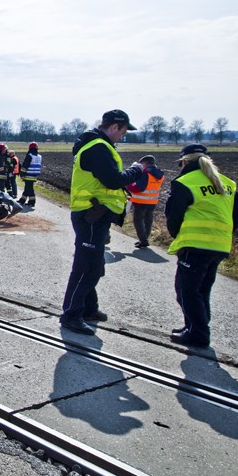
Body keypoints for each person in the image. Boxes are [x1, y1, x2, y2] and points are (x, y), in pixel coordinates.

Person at [60, 110, 143, 335]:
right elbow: (113, 180)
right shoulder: (98, 147)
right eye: (123, 132)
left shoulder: (95, 145)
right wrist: (137, 170)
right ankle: (71, 314)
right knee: (86, 267)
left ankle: (88, 308)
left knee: (93, 265)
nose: (123, 137)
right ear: (114, 127)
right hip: (91, 214)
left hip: (94, 213)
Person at [166, 144, 238, 348]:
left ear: (185, 161)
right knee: (202, 290)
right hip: (220, 245)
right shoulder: (228, 184)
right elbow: (236, 219)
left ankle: (199, 334)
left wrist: (178, 236)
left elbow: (174, 218)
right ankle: (193, 327)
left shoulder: (184, 182)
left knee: (186, 291)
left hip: (195, 245)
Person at [126, 155, 165, 248]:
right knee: (148, 221)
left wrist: (128, 184)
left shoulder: (145, 173)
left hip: (141, 201)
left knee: (138, 220)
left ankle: (143, 240)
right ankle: (145, 239)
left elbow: (139, 187)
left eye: (141, 163)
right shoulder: (160, 174)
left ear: (145, 163)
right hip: (152, 202)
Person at [18, 142, 42, 207]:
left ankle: (32, 202)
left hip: (28, 175)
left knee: (30, 189)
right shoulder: (39, 156)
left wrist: (22, 174)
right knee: (27, 188)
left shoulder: (30, 155)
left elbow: (25, 166)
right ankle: (22, 200)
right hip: (35, 175)